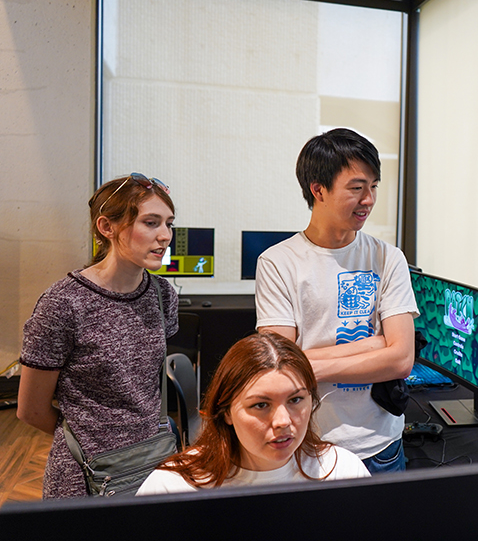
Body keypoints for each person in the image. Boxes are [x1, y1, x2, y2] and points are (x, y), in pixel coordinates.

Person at [255, 128, 419, 474]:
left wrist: (310, 363)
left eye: (373, 187)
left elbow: (402, 359)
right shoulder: (278, 262)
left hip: (381, 446)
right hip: (311, 444)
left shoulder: (388, 258)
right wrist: (375, 345)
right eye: (357, 188)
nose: (369, 200)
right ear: (319, 190)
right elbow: (279, 366)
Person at [17, 173, 179, 499]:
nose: (165, 236)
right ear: (107, 227)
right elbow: (31, 409)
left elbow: (146, 387)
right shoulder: (64, 303)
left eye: (168, 223)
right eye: (151, 223)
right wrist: (88, 439)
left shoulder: (162, 294)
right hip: (84, 475)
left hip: (152, 465)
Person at [137, 332, 369, 494]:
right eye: (260, 405)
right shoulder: (175, 487)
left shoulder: (342, 473)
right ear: (226, 411)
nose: (283, 421)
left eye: (296, 400)